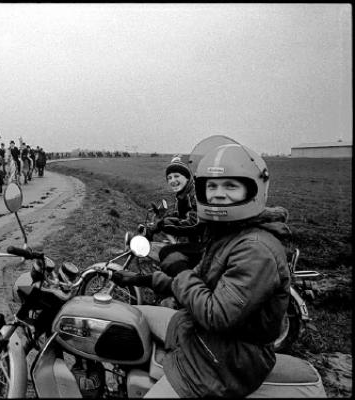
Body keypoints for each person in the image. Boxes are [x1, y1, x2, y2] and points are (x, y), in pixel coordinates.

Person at [112, 140, 291, 398]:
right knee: (127, 316)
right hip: (197, 331)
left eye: (231, 185)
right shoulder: (227, 233)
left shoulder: (255, 249)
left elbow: (216, 314)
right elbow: (198, 281)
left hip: (223, 360)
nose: (218, 193)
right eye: (212, 186)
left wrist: (181, 271)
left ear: (253, 190)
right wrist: (143, 279)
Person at [143, 156, 205, 278]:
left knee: (166, 253)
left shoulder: (194, 195)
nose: (172, 180)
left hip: (203, 244)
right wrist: (162, 220)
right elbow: (179, 214)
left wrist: (163, 225)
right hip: (194, 241)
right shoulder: (183, 194)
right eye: (169, 178)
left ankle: (179, 287)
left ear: (187, 177)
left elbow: (194, 222)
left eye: (177, 176)